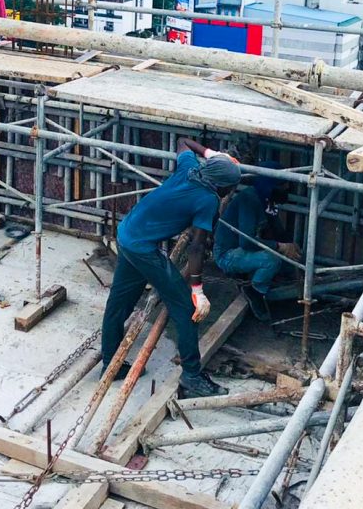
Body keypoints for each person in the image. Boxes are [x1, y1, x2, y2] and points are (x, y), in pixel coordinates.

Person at [100, 137, 241, 399]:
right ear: (222, 187)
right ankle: (192, 377)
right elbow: (197, 248)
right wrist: (197, 290)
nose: (230, 192)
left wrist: (212, 153)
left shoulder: (189, 168)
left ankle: (111, 362)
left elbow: (183, 142)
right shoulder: (208, 200)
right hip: (143, 248)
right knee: (187, 308)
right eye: (231, 188)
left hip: (128, 232)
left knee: (119, 302)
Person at [214, 163, 300, 322]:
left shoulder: (267, 200)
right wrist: (280, 247)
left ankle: (259, 281)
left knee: (288, 261)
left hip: (244, 251)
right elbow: (246, 242)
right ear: (270, 186)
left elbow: (278, 230)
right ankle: (255, 291)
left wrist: (291, 247)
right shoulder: (250, 200)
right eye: (282, 187)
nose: (286, 191)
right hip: (227, 254)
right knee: (271, 260)